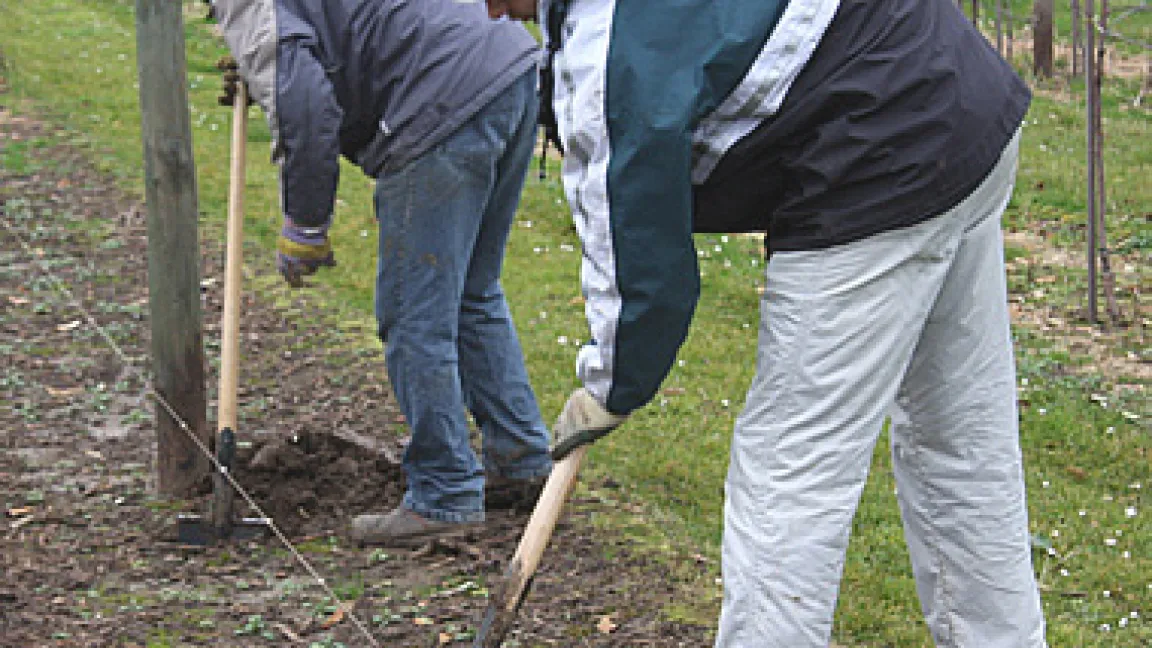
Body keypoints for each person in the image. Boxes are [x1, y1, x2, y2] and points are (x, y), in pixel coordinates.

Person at [488, 0, 1047, 646]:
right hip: (954, 94)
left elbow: (637, 263)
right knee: (962, 445)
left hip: (874, 150)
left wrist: (608, 387)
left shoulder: (605, 50)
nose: (496, 14)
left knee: (788, 473)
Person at [213, 0, 553, 547]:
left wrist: (305, 224)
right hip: (507, 65)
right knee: (471, 292)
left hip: (440, 98)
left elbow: (305, 106)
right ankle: (521, 459)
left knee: (415, 315)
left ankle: (444, 494)